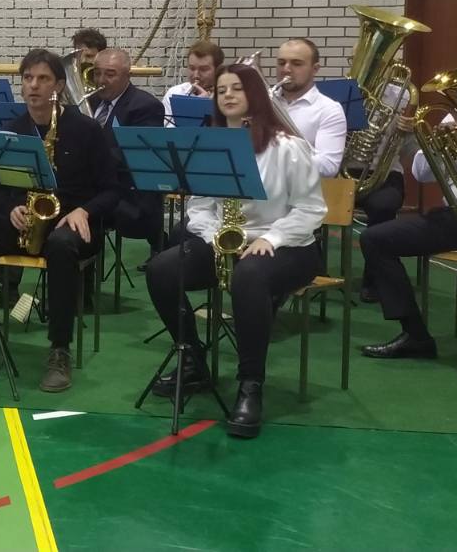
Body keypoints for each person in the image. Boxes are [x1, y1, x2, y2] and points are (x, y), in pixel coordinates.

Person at [145, 63, 327, 438]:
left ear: (254, 95)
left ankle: (250, 384)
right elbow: (199, 207)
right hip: (226, 239)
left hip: (289, 244)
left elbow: (311, 210)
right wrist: (215, 236)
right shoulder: (209, 146)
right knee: (161, 270)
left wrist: (270, 239)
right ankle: (193, 360)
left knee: (249, 277)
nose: (227, 95)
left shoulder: (288, 148)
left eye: (237, 88)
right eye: (221, 90)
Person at [0, 49, 120, 394]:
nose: (33, 85)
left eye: (43, 79)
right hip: (24, 222)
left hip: (70, 224)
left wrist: (84, 211)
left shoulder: (86, 129)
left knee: (61, 248)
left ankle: (59, 348)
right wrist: (10, 209)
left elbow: (112, 190)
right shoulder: (14, 130)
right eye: (28, 78)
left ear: (58, 86)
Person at [360, 52, 457, 382]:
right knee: (374, 239)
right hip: (455, 215)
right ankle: (415, 333)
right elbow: (421, 173)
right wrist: (438, 145)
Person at [88, 48, 167, 259]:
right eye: (97, 73)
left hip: (126, 191)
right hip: (93, 187)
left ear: (127, 76)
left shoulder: (145, 106)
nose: (101, 80)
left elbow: (136, 155)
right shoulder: (89, 101)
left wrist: (88, 157)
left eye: (110, 74)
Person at [272, 38, 347, 178]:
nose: (286, 69)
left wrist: (276, 158)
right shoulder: (264, 102)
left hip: (299, 189)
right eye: (281, 63)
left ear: (315, 69)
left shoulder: (328, 110)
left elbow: (328, 166)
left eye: (296, 64)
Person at [163, 40, 223, 122]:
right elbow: (167, 127)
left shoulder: (225, 96)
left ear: (218, 70)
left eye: (203, 69)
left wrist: (207, 105)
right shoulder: (175, 92)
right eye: (192, 68)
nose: (196, 75)